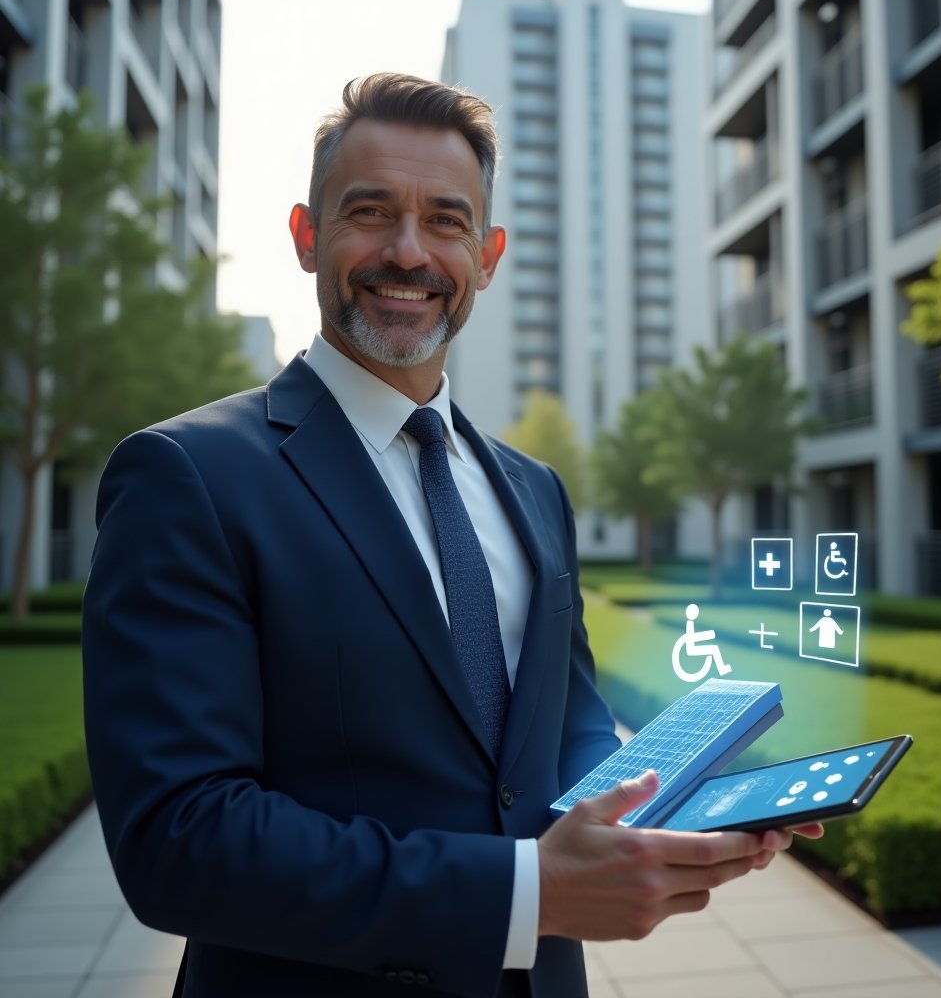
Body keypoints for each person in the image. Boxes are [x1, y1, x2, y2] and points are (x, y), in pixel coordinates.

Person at [82, 73, 820, 998]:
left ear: (489, 252)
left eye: (445, 220)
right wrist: (525, 893)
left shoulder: (535, 489)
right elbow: (179, 838)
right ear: (308, 237)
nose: (407, 252)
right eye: (370, 211)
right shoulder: (186, 475)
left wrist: (656, 807)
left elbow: (567, 721)